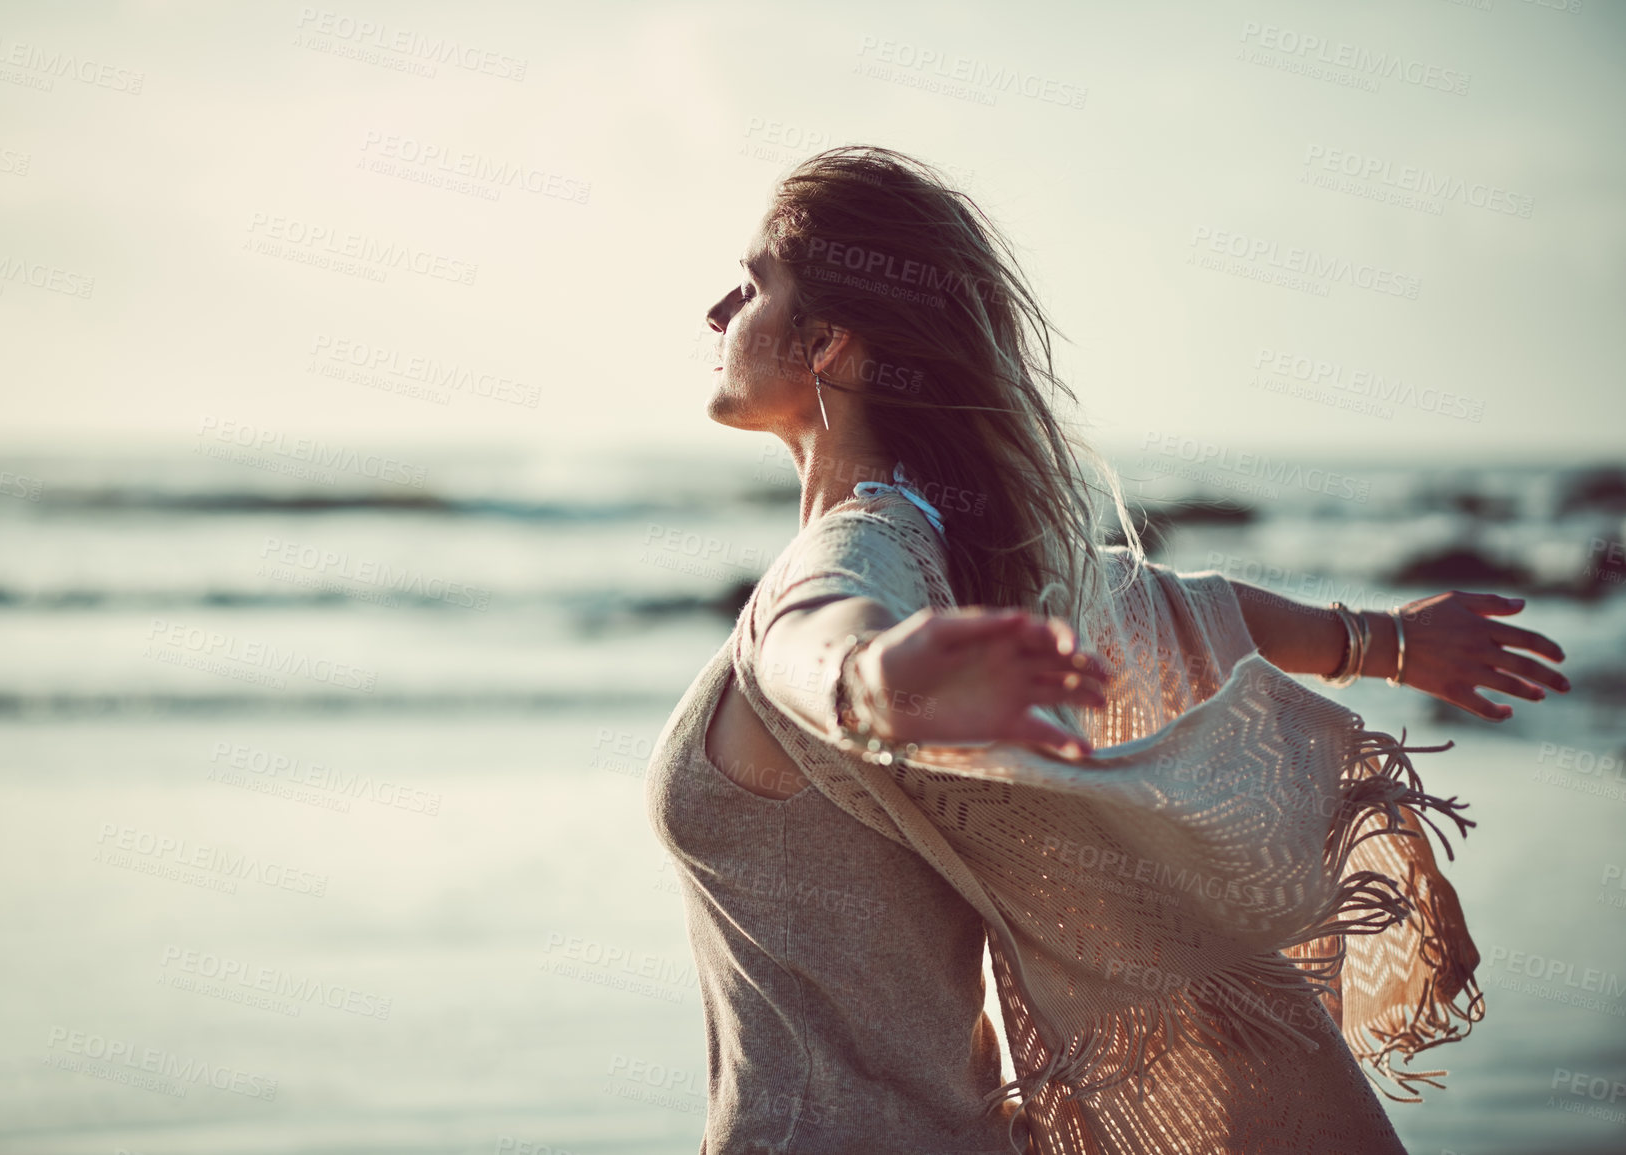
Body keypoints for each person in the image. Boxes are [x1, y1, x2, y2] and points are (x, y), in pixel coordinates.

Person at [645, 145, 1568, 1155]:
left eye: (750, 286)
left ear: (826, 343)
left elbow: (815, 637)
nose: (717, 314)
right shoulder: (964, 555)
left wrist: (877, 683)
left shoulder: (850, 554)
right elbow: (1177, 603)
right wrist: (1386, 643)